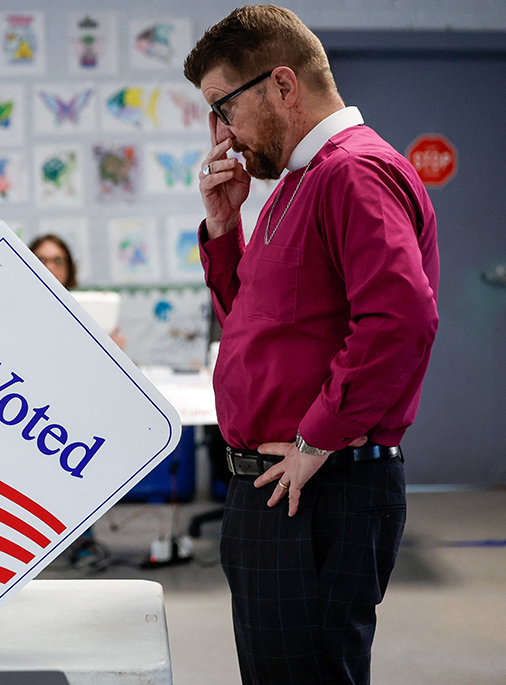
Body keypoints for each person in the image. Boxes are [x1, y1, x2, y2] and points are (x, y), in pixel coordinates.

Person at [183, 6, 438, 684]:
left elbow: (401, 319)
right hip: (284, 487)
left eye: (222, 108)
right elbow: (262, 326)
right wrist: (223, 224)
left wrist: (314, 439)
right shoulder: (300, 180)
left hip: (320, 488)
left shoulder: (351, 173)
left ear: (283, 86)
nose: (220, 133)